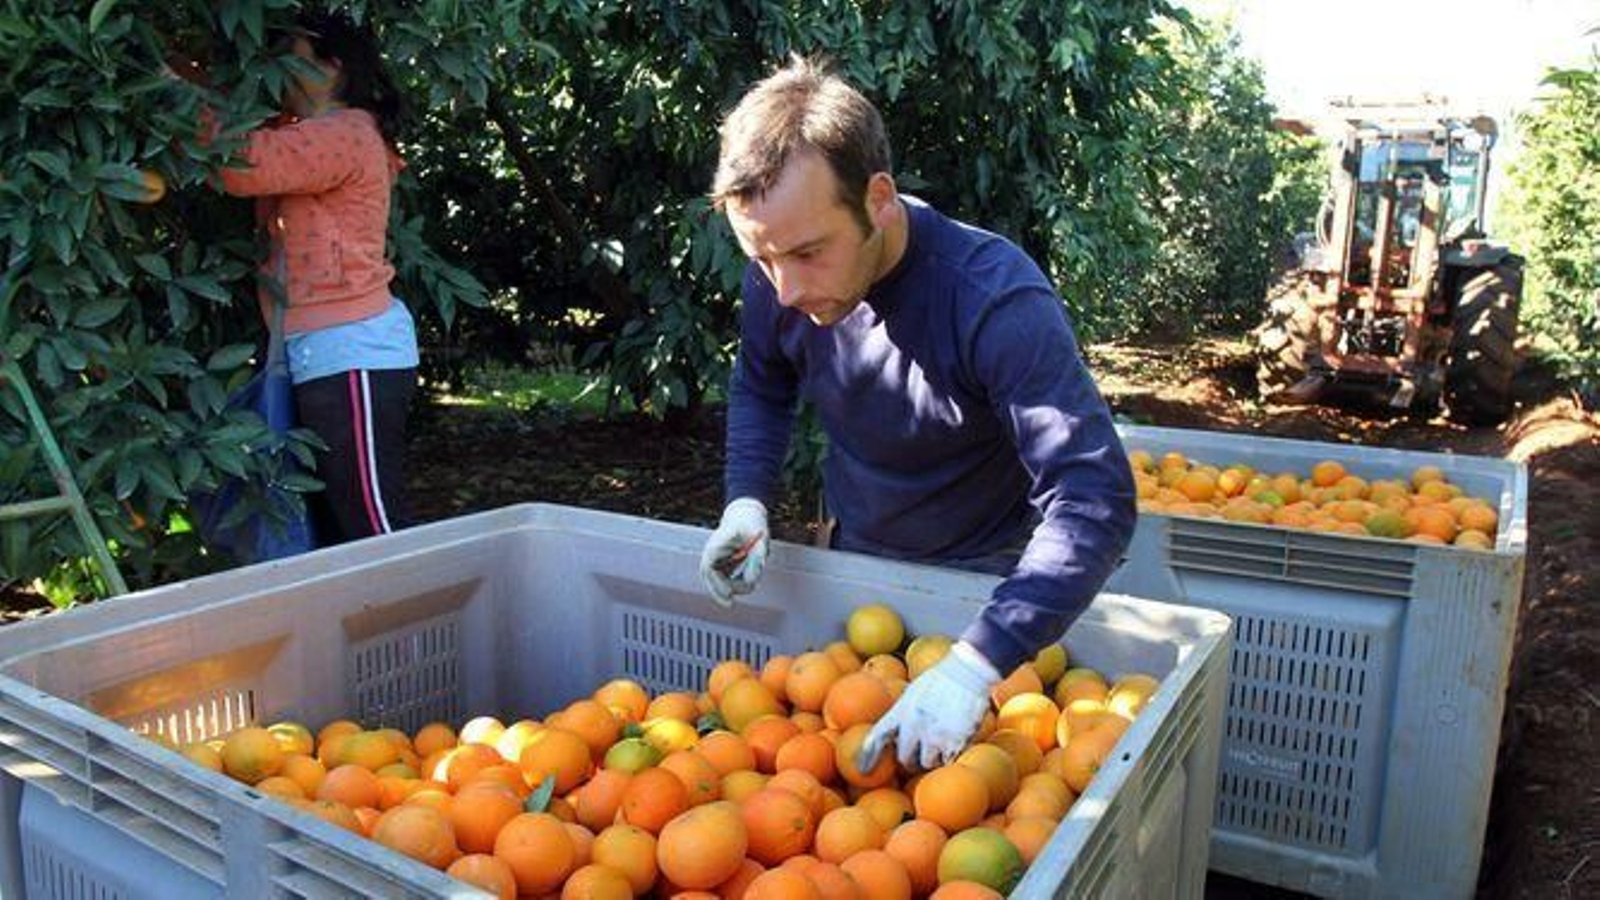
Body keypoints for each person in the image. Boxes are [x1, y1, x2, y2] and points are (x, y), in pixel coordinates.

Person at [697, 58, 1137, 771]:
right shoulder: (781, 273)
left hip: (990, 586)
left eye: (809, 253)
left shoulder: (993, 301)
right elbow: (762, 382)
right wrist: (746, 499)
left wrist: (975, 666)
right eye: (762, 257)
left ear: (877, 198)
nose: (783, 291)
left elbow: (1094, 501)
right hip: (857, 565)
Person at [209, 10, 418, 546]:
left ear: (334, 65)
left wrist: (170, 95)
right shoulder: (308, 133)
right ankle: (364, 629)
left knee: (375, 527)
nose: (275, 62)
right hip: (319, 349)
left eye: (290, 52)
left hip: (353, 350)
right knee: (333, 529)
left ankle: (423, 631)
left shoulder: (347, 132)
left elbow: (242, 163)